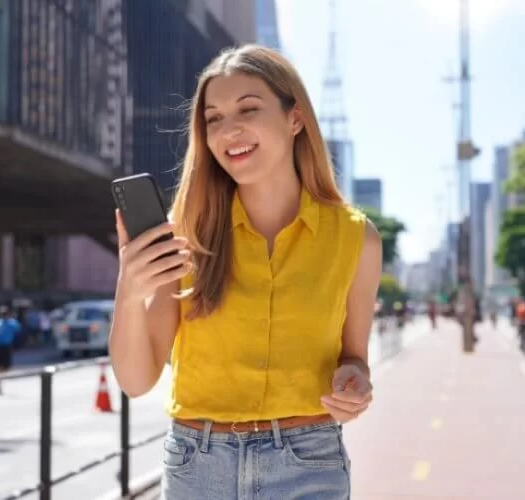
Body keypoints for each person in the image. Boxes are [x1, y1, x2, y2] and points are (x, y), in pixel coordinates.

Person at [109, 45, 382, 499]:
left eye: (248, 109)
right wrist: (129, 290)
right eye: (213, 118)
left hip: (309, 463)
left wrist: (355, 383)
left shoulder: (358, 239)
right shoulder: (185, 234)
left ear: (294, 119)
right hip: (198, 466)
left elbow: (354, 359)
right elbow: (136, 381)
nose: (229, 130)